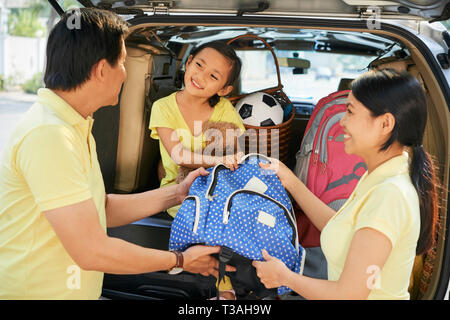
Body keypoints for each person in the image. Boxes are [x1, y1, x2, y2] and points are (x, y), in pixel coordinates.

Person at [0, 8, 232, 300]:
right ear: (100, 70)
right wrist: (180, 260)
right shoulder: (49, 135)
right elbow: (92, 250)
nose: (125, 73)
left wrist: (178, 193)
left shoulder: (74, 125)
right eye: (122, 62)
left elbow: (100, 208)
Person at [253, 69, 440, 300]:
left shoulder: (389, 194)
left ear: (385, 124)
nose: (341, 121)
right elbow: (341, 227)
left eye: (350, 111)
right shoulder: (380, 177)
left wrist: (284, 277)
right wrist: (289, 179)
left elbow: (349, 295)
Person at [149, 41, 245, 299]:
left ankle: (235, 288)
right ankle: (224, 289)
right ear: (188, 62)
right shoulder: (163, 107)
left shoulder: (224, 110)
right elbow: (178, 154)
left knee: (233, 216)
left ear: (224, 89)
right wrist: (218, 161)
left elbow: (234, 151)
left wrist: (226, 162)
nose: (200, 76)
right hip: (179, 194)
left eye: (213, 76)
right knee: (214, 224)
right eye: (199, 65)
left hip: (216, 190)